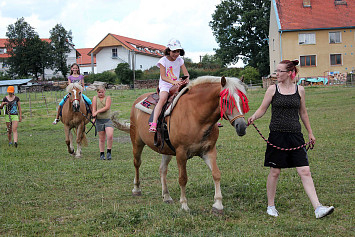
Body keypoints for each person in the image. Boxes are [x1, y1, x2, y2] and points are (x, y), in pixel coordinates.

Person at [247, 60, 334, 219]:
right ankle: (270, 206)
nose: (277, 74)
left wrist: (310, 132)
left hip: (296, 135)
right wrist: (253, 117)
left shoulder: (300, 90)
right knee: (275, 172)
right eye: (276, 71)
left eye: (280, 71)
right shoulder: (273, 89)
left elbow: (303, 113)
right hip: (277, 135)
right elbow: (262, 109)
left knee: (305, 171)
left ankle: (318, 208)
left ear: (289, 73)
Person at [149, 38, 190, 132]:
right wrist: (173, 82)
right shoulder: (163, 61)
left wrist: (186, 78)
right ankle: (154, 123)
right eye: (174, 51)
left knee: (192, 93)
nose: (176, 54)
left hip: (177, 84)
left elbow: (186, 73)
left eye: (178, 51)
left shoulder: (180, 60)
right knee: (163, 99)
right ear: (168, 50)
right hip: (165, 85)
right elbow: (163, 76)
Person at [92, 86, 114, 160]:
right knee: (101, 138)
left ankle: (109, 152)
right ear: (97, 92)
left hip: (108, 119)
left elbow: (107, 107)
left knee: (110, 135)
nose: (100, 94)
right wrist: (94, 117)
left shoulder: (108, 98)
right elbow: (93, 108)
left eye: (102, 92)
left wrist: (97, 112)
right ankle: (102, 153)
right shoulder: (95, 98)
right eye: (99, 92)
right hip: (99, 120)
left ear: (104, 91)